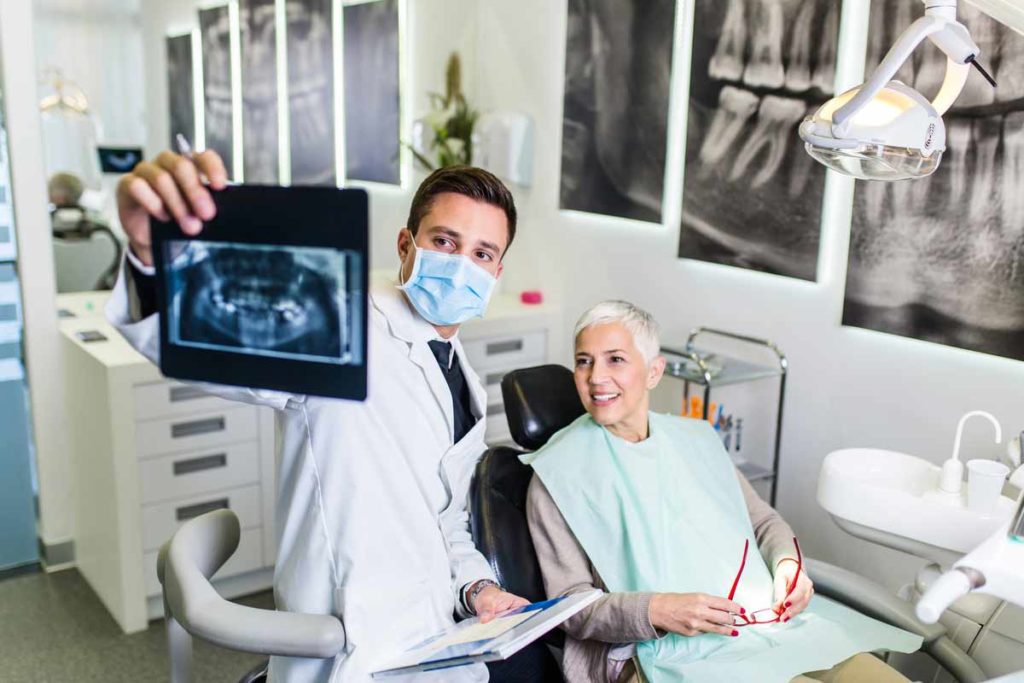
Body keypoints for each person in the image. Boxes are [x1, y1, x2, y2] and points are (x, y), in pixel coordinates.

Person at [108, 149, 529, 682]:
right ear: (406, 246)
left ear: (496, 271)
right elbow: (222, 340)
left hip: (440, 641)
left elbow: (446, 517)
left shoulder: (462, 376)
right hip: (348, 643)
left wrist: (477, 588)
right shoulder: (341, 324)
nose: (461, 266)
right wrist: (152, 256)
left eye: (482, 253)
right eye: (445, 242)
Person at [522, 301, 921, 683]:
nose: (595, 377)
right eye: (583, 361)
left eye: (615, 359)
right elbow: (570, 607)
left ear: (654, 372)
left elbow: (763, 520)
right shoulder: (557, 474)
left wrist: (786, 564)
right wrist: (658, 610)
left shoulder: (696, 439)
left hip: (764, 628)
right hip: (661, 654)